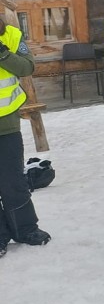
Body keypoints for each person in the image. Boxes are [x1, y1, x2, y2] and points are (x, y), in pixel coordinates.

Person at [0, 15, 51, 258]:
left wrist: (2, 52)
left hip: (6, 121)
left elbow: (26, 67)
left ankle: (26, 229)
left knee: (13, 181)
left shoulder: (11, 34)